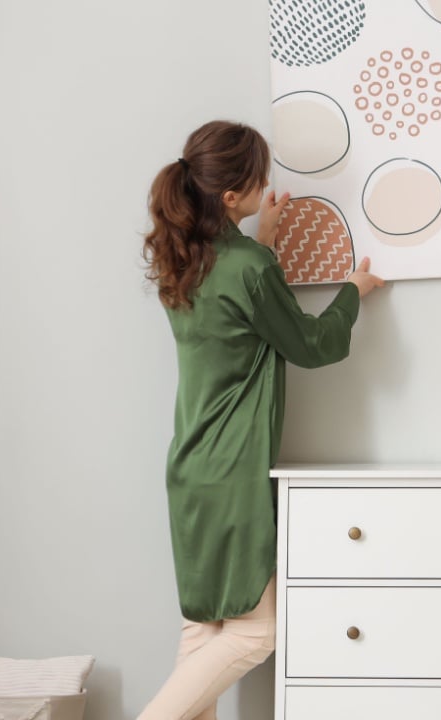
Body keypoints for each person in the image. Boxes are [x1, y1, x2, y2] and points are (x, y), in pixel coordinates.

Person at [138, 120, 385, 720]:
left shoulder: (183, 261)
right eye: (259, 177)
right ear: (231, 196)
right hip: (232, 472)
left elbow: (236, 316)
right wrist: (353, 291)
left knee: (204, 630)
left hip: (190, 468)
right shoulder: (247, 265)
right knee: (255, 633)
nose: (267, 182)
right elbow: (313, 344)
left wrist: (263, 241)